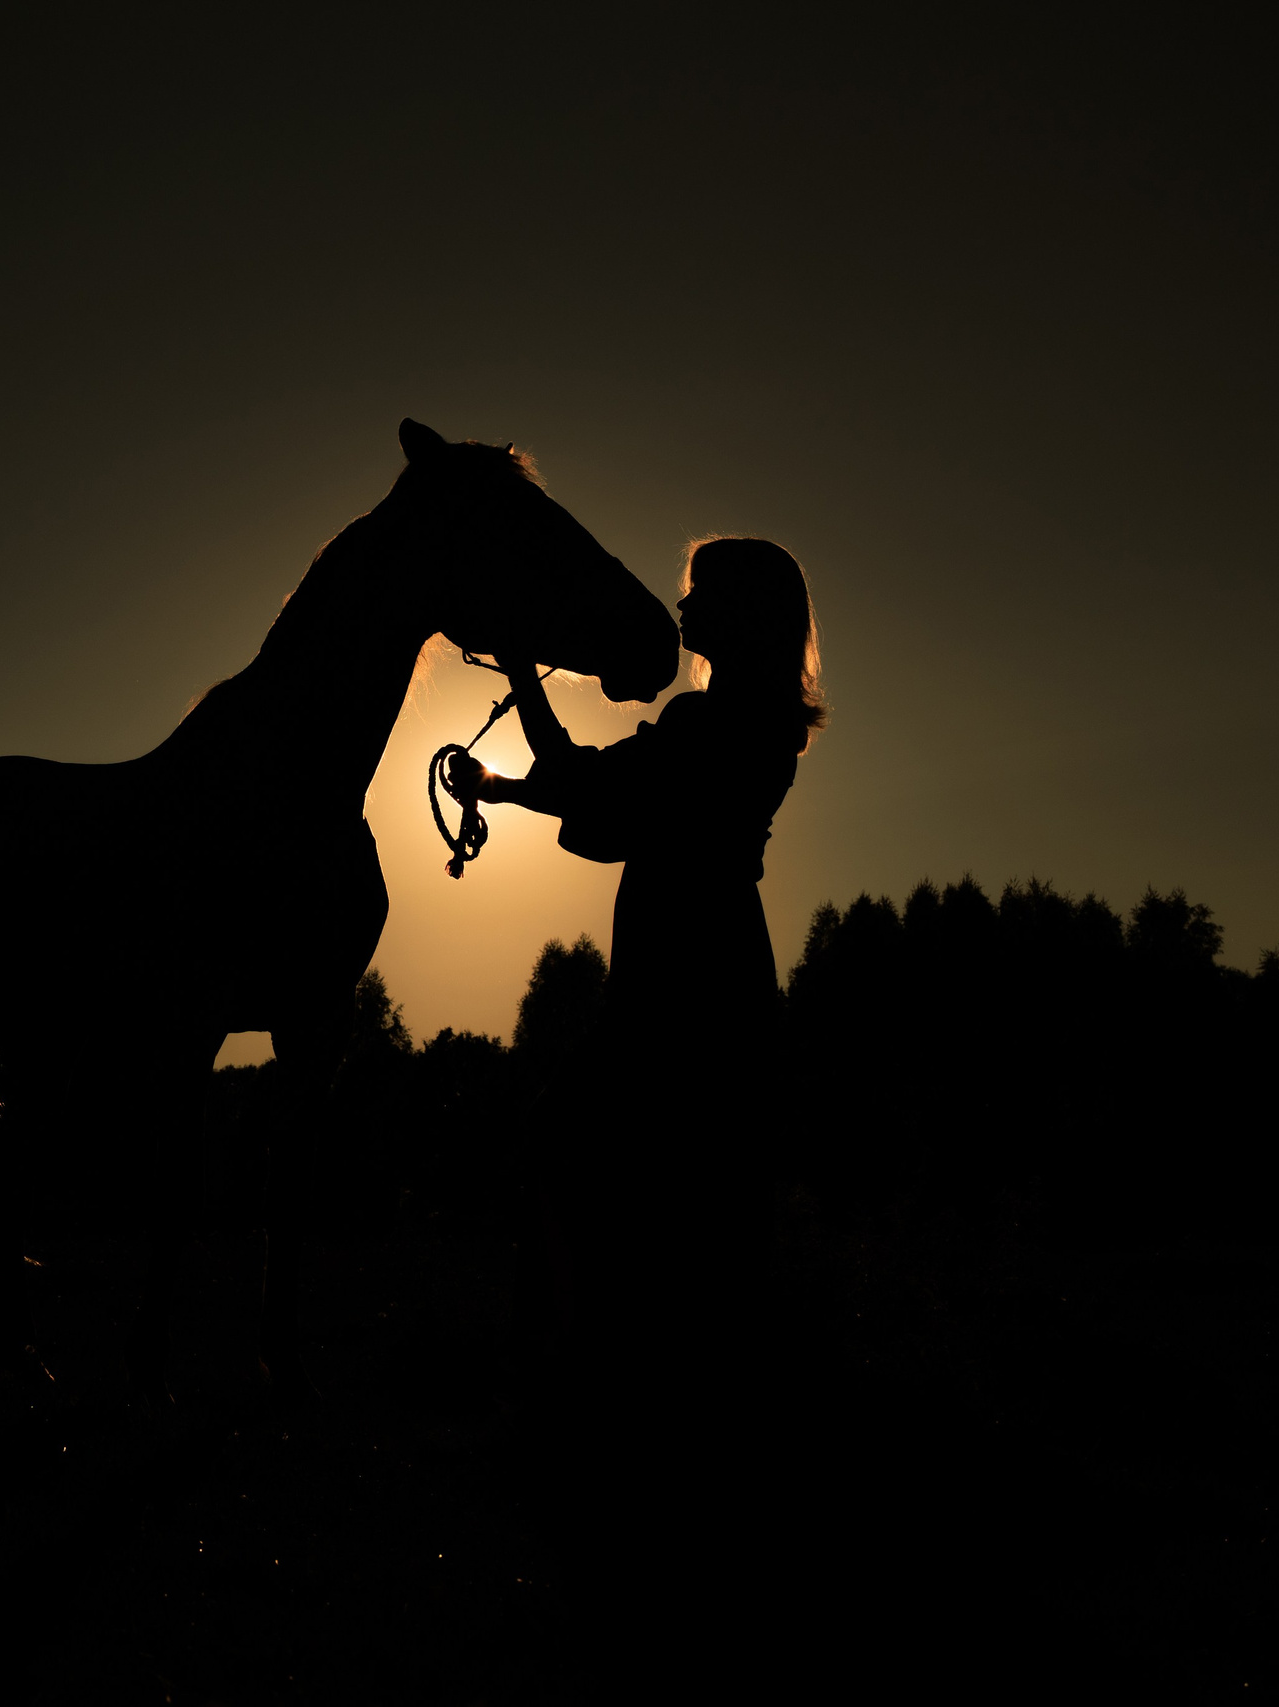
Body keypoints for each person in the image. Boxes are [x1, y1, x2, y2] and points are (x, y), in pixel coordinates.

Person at [455, 534, 826, 1663]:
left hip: (678, 984)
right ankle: (674, 1446)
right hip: (712, 980)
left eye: (699, 594)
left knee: (580, 1157)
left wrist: (524, 683)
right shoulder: (750, 726)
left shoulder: (713, 726)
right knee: (695, 1215)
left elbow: (605, 799)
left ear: (741, 614)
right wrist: (507, 785)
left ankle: (583, 1405)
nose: (682, 607)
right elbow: (610, 801)